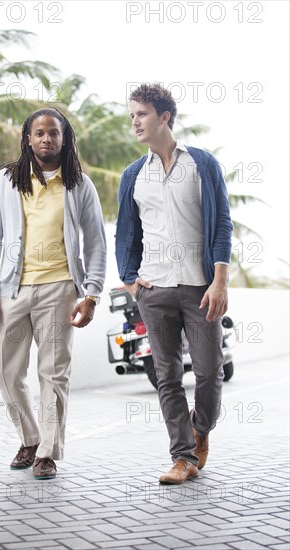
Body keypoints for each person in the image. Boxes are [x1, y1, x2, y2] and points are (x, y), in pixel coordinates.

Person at [0, 107, 106, 480]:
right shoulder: (6, 180)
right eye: (39, 132)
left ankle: (47, 452)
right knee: (6, 371)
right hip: (11, 290)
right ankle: (30, 437)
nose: (47, 138)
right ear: (28, 138)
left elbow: (96, 243)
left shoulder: (79, 183)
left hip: (61, 289)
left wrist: (92, 294)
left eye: (54, 133)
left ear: (65, 139)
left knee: (53, 374)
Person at [115, 83, 233, 484]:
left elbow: (221, 225)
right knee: (166, 375)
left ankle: (201, 430)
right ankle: (182, 457)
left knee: (209, 372)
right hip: (155, 290)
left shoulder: (202, 164)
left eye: (142, 113)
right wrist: (131, 281)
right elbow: (126, 234)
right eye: (131, 114)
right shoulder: (133, 174)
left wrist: (220, 280)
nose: (134, 121)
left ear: (164, 116)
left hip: (201, 289)